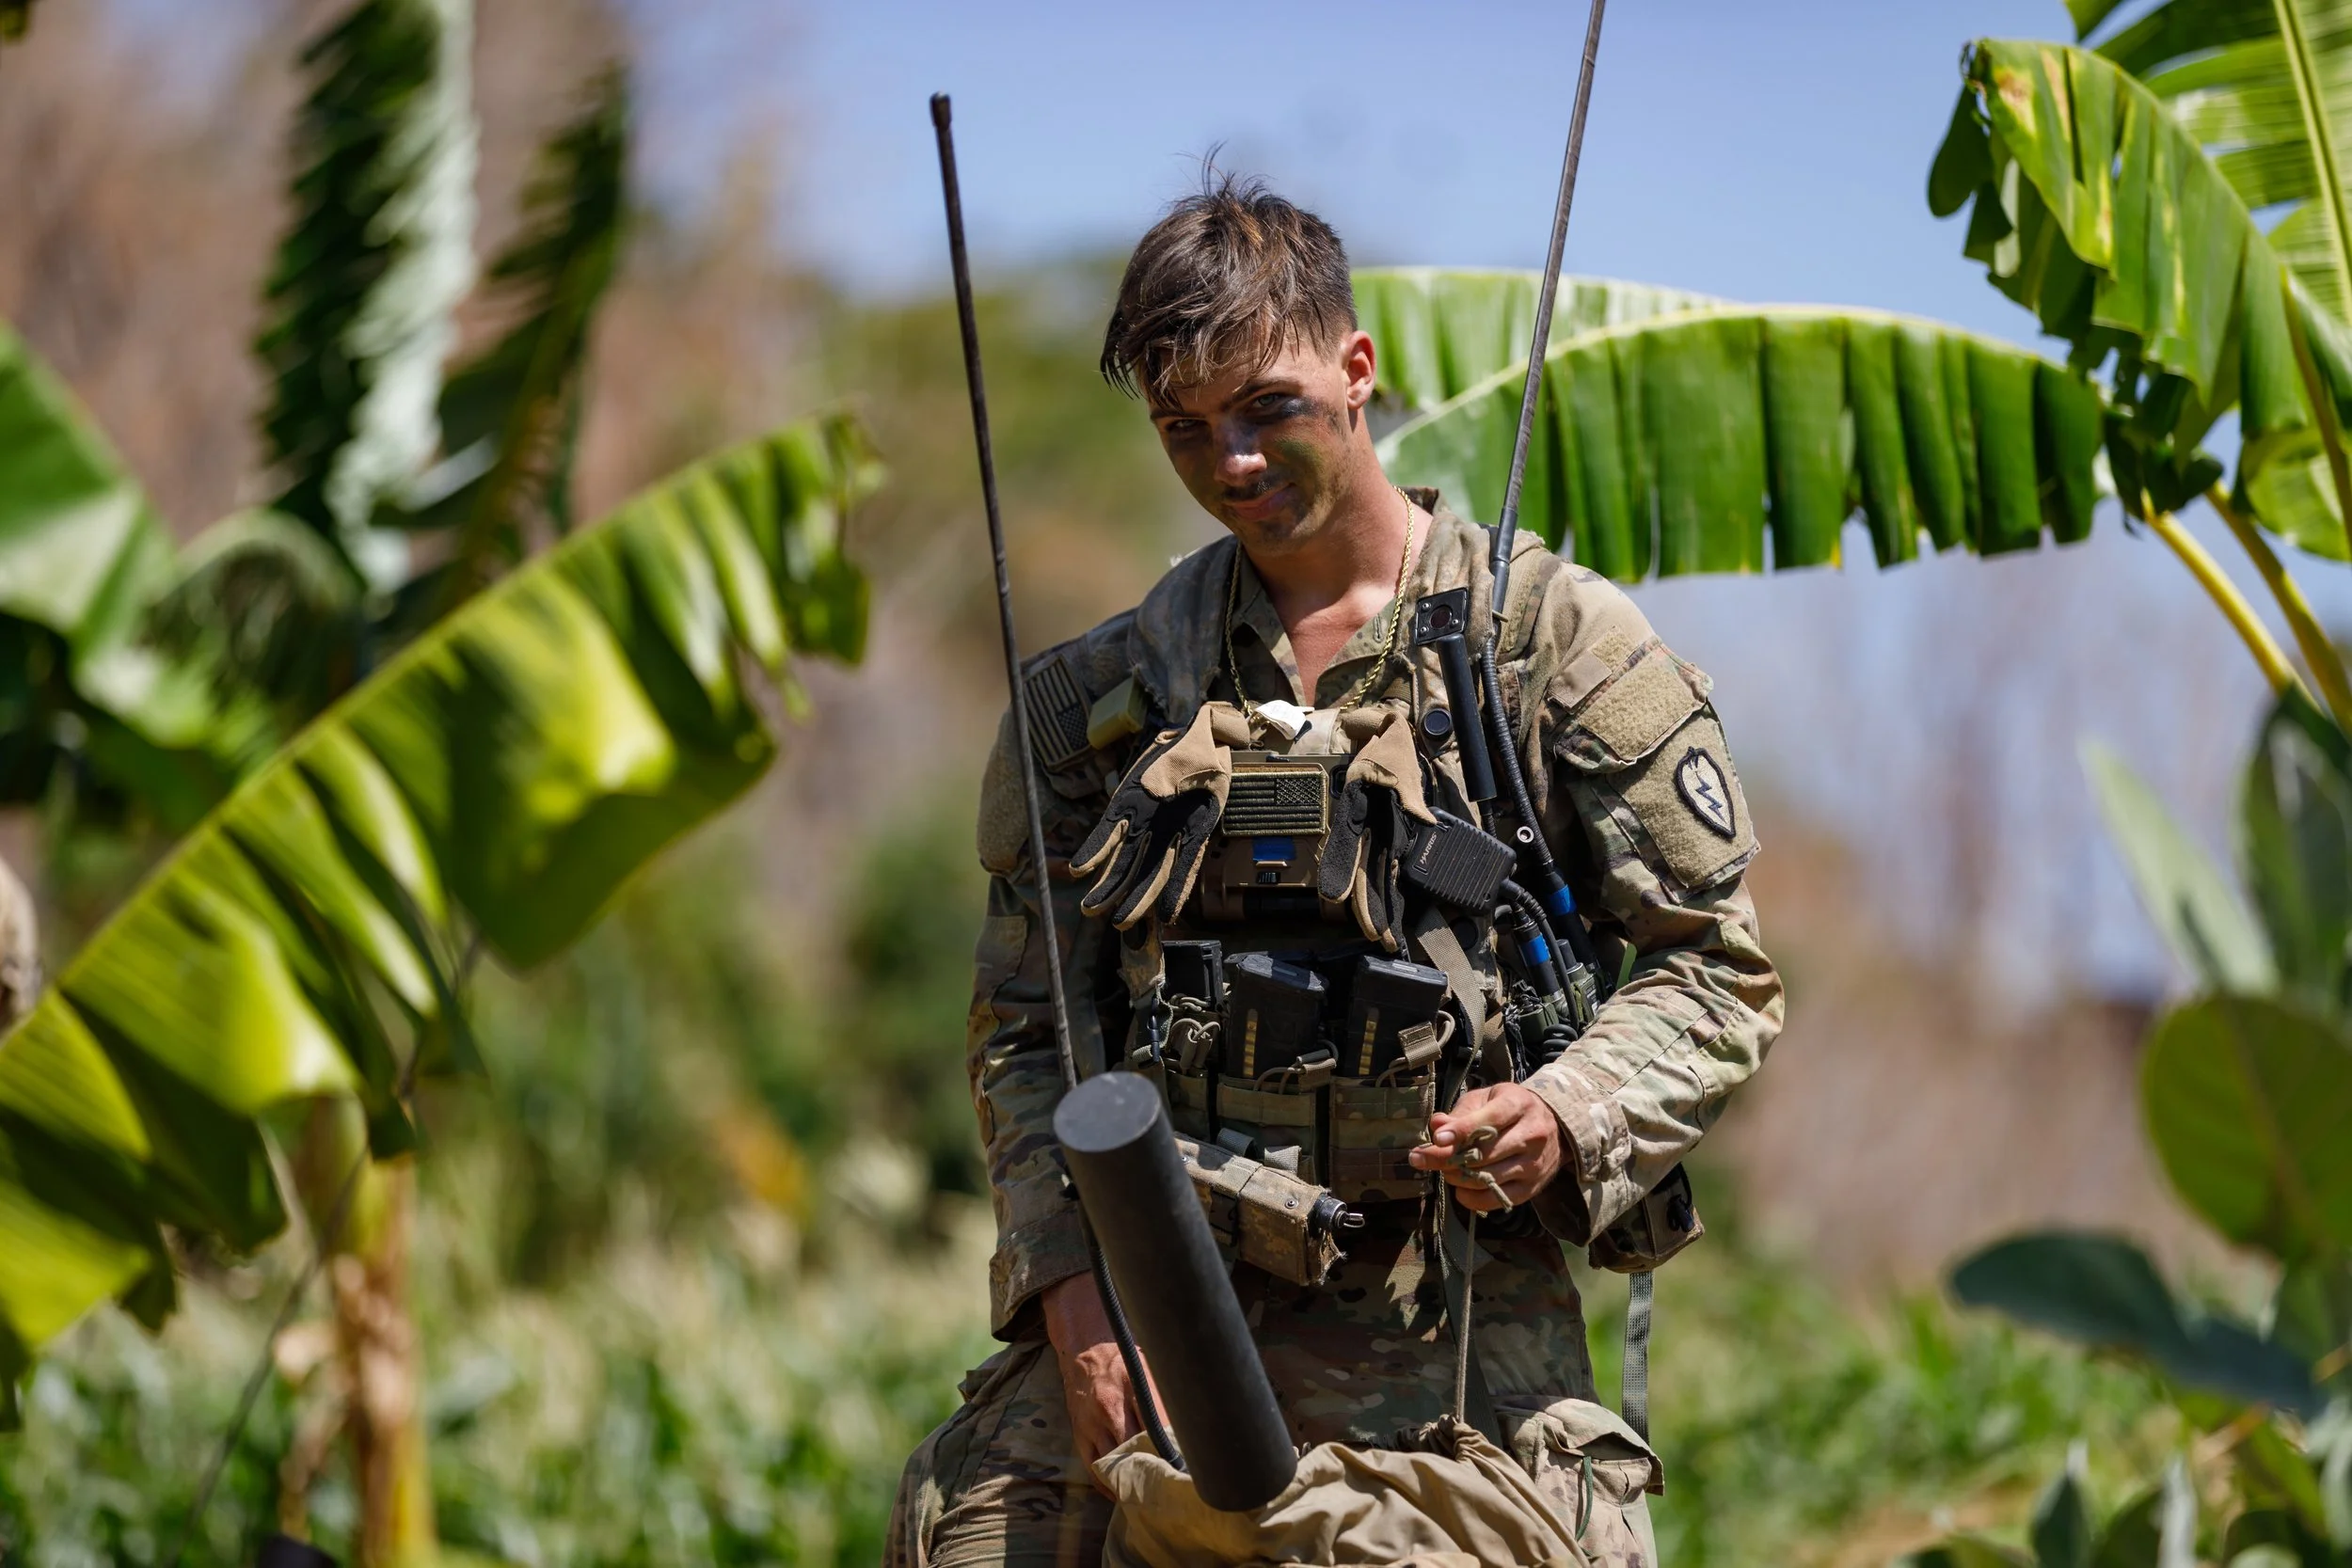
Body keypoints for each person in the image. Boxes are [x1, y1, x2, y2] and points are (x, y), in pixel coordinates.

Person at [887, 175, 1784, 1568]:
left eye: (1267, 410)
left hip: (1457, 1356)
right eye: (1184, 429)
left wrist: (1565, 1104)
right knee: (970, 1530)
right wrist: (1067, 1289)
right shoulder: (1106, 700)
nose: (1229, 460)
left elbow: (1717, 970)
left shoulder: (1543, 654)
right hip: (1164, 1316)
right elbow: (1028, 1025)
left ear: (1358, 371)